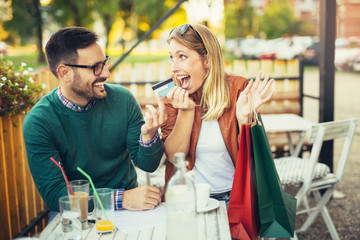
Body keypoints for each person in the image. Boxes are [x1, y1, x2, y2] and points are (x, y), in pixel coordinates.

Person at [23, 27, 166, 217]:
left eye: (105, 62)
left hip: (131, 211)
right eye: (95, 67)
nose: (106, 73)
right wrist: (122, 198)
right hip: (76, 214)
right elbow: (56, 195)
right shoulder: (39, 122)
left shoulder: (123, 99)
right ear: (65, 73)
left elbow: (148, 165)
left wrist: (148, 136)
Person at [161, 23, 274, 205]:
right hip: (188, 197)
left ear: (207, 59)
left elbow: (255, 158)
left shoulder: (238, 88)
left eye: (182, 56)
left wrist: (244, 120)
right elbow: (175, 157)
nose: (174, 67)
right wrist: (186, 111)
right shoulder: (172, 95)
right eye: (172, 58)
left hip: (235, 197)